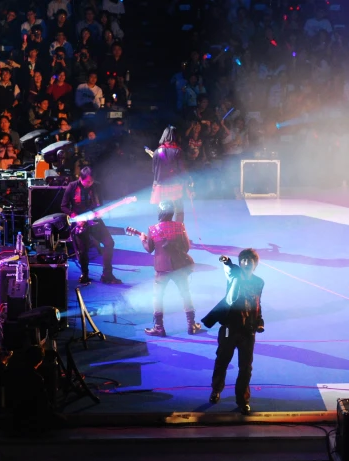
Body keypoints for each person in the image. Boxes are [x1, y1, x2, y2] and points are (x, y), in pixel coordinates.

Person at [202, 249, 265, 415]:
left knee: (246, 367)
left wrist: (259, 321)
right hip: (230, 327)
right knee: (222, 359)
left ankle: (243, 399)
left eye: (248, 261)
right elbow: (230, 268)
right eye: (242, 260)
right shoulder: (235, 275)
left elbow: (258, 303)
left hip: (248, 330)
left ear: (255, 264)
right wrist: (226, 261)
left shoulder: (259, 282)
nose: (245, 263)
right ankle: (216, 390)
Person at [140, 201, 199, 337]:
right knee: (185, 294)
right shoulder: (180, 226)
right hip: (179, 267)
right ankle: (191, 325)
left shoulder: (153, 229)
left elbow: (149, 249)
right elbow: (186, 247)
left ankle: (159, 327)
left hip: (162, 269)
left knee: (158, 297)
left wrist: (143, 240)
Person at [60, 167, 122, 284]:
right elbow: (63, 206)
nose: (90, 184)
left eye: (91, 181)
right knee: (83, 250)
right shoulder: (72, 186)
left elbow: (99, 204)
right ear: (80, 178)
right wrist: (75, 217)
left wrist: (99, 212)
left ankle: (107, 274)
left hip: (94, 220)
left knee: (109, 243)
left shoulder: (96, 187)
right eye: (87, 182)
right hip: (80, 222)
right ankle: (85, 274)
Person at [150, 126, 191, 222]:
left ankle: (163, 233)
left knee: (164, 211)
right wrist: (187, 181)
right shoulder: (177, 151)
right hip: (175, 186)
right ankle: (178, 232)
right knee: (178, 211)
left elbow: (153, 170)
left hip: (161, 187)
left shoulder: (157, 152)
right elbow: (181, 170)